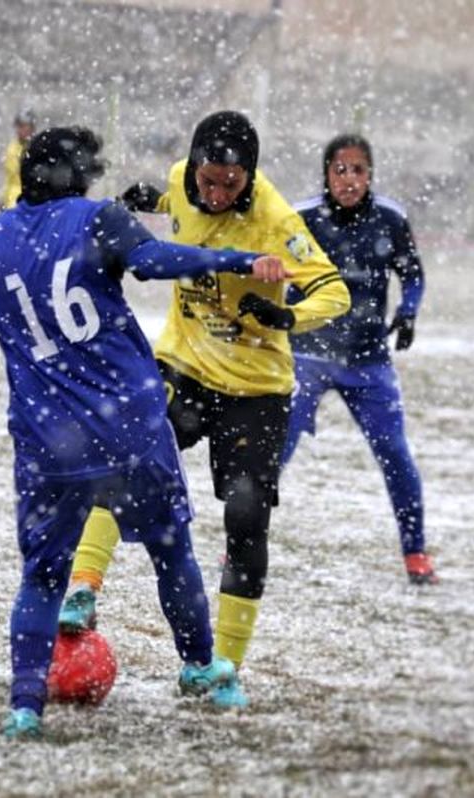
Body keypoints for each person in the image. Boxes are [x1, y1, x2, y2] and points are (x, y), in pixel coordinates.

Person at [0, 127, 292, 738]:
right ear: (81, 176)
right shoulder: (97, 219)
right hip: (131, 431)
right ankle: (200, 669)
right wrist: (240, 259)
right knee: (171, 552)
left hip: (48, 444)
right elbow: (157, 261)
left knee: (41, 577)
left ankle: (25, 706)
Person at [57, 110, 351, 706]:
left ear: (250, 177)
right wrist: (157, 199)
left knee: (245, 516)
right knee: (124, 458)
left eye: (231, 184)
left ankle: (223, 666)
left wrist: (290, 315)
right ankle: (82, 588)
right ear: (193, 166)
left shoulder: (275, 220)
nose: (216, 194)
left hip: (256, 390)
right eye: (207, 180)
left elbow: (334, 290)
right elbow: (178, 201)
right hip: (184, 367)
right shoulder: (181, 180)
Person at [284, 133, 435, 585]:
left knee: (395, 454)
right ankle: (242, 548)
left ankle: (416, 553)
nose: (350, 179)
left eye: (359, 170)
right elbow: (273, 269)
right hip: (307, 355)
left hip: (368, 360)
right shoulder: (302, 218)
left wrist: (407, 312)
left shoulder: (390, 219)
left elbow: (412, 275)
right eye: (340, 170)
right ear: (326, 174)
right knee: (274, 451)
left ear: (371, 175)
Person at [0, 108, 36, 209]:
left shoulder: (37, 147)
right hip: (12, 200)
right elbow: (11, 178)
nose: (21, 130)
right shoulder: (12, 148)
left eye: (24, 126)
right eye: (19, 126)